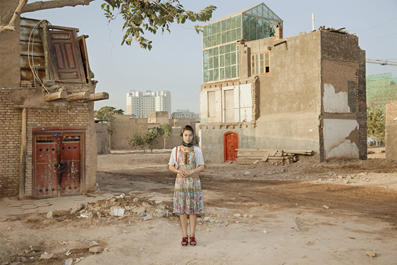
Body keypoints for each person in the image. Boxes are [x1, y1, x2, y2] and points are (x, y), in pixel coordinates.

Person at [168, 125, 205, 246]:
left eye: (190, 135)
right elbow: (171, 165)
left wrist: (191, 171)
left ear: (193, 136)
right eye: (185, 135)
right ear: (182, 136)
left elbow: (201, 166)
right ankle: (184, 235)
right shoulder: (176, 150)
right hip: (180, 183)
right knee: (182, 210)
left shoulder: (197, 150)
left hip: (193, 182)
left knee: (193, 210)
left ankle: (193, 235)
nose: (188, 137)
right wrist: (179, 171)